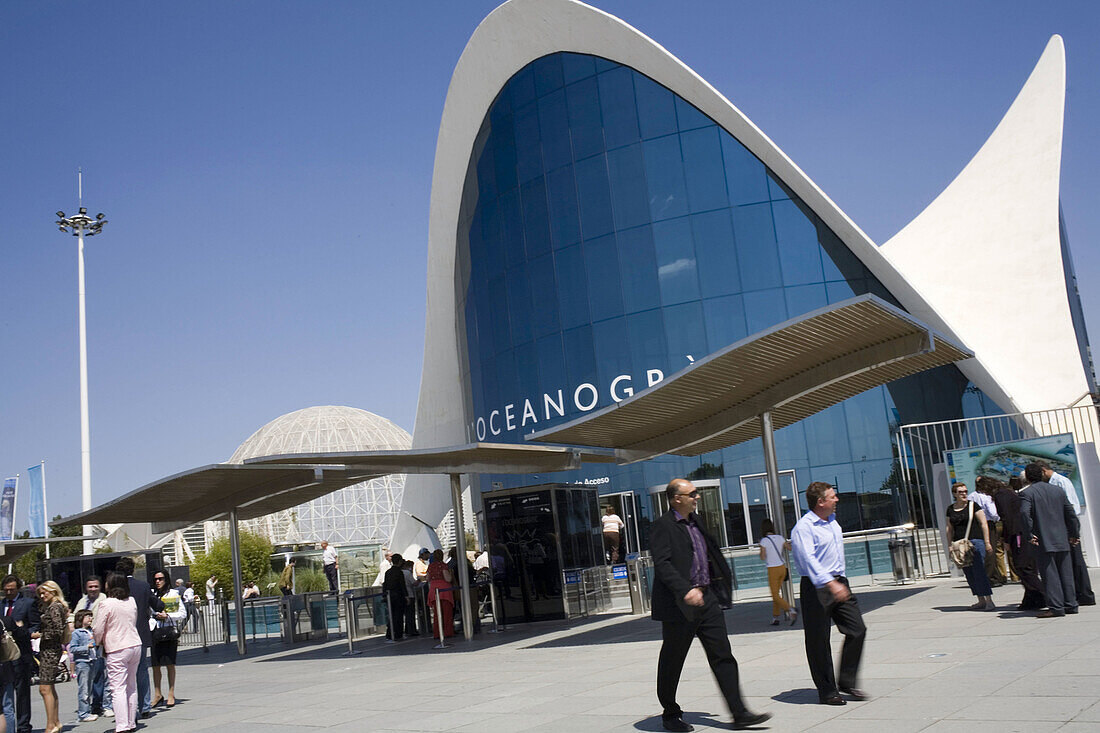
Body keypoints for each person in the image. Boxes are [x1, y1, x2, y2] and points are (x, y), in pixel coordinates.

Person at [650, 478, 770, 732]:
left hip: (707, 600)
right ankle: (670, 713)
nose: (697, 497)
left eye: (696, 493)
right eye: (691, 493)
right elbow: (662, 564)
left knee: (722, 655)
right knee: (673, 660)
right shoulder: (663, 526)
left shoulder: (697, 521)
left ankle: (739, 713)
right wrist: (685, 590)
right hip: (679, 605)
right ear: (676, 499)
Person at [790, 482, 868, 707]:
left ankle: (846, 680)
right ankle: (827, 691)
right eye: (832, 497)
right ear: (820, 502)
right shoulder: (803, 527)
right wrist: (830, 584)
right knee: (818, 640)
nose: (837, 500)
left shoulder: (833, 522)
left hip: (839, 582)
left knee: (857, 629)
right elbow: (808, 559)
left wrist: (839, 581)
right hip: (817, 587)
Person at [1020, 462, 1080, 617]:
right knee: (1066, 574)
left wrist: (1029, 534)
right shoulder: (1058, 490)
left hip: (1043, 540)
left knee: (1050, 575)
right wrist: (1074, 534)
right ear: (1041, 473)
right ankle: (1071, 604)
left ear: (1027, 477)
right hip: (1062, 538)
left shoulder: (1027, 493)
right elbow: (1070, 513)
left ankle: (1056, 607)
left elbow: (1025, 514)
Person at [1038, 460, 1095, 606]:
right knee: (1067, 563)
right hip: (1060, 525)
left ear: (1044, 471)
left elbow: (1071, 506)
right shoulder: (1052, 482)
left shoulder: (1061, 482)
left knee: (1076, 561)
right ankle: (1074, 594)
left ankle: (1085, 594)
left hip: (1067, 525)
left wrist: (1071, 529)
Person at [94, 573, 142, 733]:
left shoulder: (106, 603)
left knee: (117, 688)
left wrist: (98, 641)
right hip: (134, 643)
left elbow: (98, 628)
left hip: (116, 647)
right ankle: (131, 722)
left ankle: (122, 725)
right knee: (131, 685)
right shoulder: (131, 601)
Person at [116, 557, 164, 719]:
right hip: (140, 634)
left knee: (121, 674)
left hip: (120, 635)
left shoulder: (115, 588)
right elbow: (158, 605)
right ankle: (144, 705)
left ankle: (126, 708)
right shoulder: (143, 586)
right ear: (133, 569)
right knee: (141, 670)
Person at [992, 476, 1045, 610]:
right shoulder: (1012, 495)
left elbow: (1007, 518)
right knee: (1025, 568)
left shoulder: (1002, 496)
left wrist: (1007, 538)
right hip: (1022, 533)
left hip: (1018, 535)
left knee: (1023, 567)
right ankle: (1032, 598)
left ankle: (1045, 595)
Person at [945, 482, 995, 610]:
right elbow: (949, 528)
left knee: (979, 571)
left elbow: (984, 524)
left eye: (965, 491)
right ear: (955, 494)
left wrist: (987, 542)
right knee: (969, 573)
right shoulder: (950, 509)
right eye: (960, 492)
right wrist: (950, 545)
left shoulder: (973, 506)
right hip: (959, 544)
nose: (964, 494)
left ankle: (989, 600)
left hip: (975, 541)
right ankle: (980, 600)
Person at [2, 574, 39, 733]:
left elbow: (36, 627)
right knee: (6, 696)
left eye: (12, 590)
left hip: (21, 654)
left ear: (18, 589)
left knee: (22, 692)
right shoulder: (1, 604)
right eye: (6, 590)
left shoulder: (28, 603)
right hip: (4, 656)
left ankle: (23, 726)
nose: (9, 593)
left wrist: (21, 630)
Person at [73, 576, 112, 717]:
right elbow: (75, 617)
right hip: (83, 645)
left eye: (95, 586)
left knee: (100, 675)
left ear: (100, 587)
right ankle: (91, 706)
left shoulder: (104, 600)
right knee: (87, 679)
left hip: (98, 642)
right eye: (90, 587)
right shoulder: (82, 601)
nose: (93, 589)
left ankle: (101, 704)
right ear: (86, 588)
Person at [32, 581, 68, 733]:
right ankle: (55, 722)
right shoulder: (55, 606)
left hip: (50, 651)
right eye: (40, 593)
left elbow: (58, 630)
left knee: (44, 688)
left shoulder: (54, 607)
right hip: (49, 650)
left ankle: (50, 725)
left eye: (44, 592)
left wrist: (40, 634)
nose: (42, 596)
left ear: (53, 591)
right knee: (49, 687)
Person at [150, 572, 185, 708]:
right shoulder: (152, 594)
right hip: (156, 631)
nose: (158, 581)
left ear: (166, 579)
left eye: (161, 579)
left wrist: (168, 615)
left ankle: (171, 692)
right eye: (156, 579)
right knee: (155, 664)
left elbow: (183, 613)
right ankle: (157, 693)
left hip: (169, 631)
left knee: (170, 663)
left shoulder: (173, 594)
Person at [759, 518, 796, 626]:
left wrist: (760, 547)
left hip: (773, 569)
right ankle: (775, 617)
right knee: (777, 595)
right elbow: (789, 548)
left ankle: (790, 610)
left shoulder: (764, 541)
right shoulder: (780, 538)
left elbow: (762, 557)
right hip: (782, 568)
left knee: (775, 595)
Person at [970, 478, 1006, 586]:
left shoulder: (971, 496)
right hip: (989, 524)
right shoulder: (986, 497)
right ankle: (991, 577)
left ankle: (993, 575)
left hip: (976, 525)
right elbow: (993, 513)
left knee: (983, 551)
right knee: (991, 550)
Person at [70, 609, 99, 723]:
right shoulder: (77, 633)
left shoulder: (91, 631)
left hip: (92, 660)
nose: (90, 619)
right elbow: (72, 648)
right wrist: (86, 647)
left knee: (90, 687)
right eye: (88, 617)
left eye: (91, 617)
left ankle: (87, 710)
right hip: (83, 662)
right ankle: (83, 713)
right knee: (84, 689)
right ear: (81, 619)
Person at [426, 549, 455, 639]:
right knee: (447, 613)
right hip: (444, 590)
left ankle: (437, 633)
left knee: (437, 614)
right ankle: (447, 632)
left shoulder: (430, 566)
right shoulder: (443, 565)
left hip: (434, 590)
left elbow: (427, 578)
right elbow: (448, 579)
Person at [382, 553, 406, 640]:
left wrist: (384, 595)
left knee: (391, 615)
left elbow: (385, 584)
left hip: (390, 596)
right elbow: (402, 585)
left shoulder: (388, 572)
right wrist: (406, 596)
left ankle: (390, 632)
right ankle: (398, 633)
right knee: (399, 615)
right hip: (399, 596)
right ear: (399, 562)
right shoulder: (399, 572)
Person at [401, 560, 420, 636]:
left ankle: (407, 629)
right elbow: (413, 583)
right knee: (410, 614)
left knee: (406, 614)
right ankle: (412, 630)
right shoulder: (407, 573)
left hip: (403, 595)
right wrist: (419, 580)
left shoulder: (401, 572)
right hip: (410, 594)